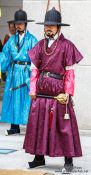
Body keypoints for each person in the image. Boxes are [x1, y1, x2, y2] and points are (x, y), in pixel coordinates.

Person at [23, 7, 83, 173]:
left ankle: (68, 160)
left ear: (58, 27)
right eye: (46, 25)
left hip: (59, 95)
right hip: (41, 93)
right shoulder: (40, 45)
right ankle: (38, 157)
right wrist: (32, 89)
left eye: (51, 25)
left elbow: (70, 73)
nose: (48, 28)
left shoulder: (67, 46)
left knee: (63, 127)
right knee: (37, 124)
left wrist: (68, 93)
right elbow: (34, 70)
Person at [0, 9, 38, 135]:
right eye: (17, 23)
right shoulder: (11, 40)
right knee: (13, 98)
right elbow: (5, 54)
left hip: (26, 73)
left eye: (21, 23)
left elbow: (37, 57)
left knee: (27, 98)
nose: (18, 26)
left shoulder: (32, 39)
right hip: (13, 72)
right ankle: (14, 126)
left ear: (26, 24)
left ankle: (31, 126)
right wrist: (3, 66)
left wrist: (34, 73)